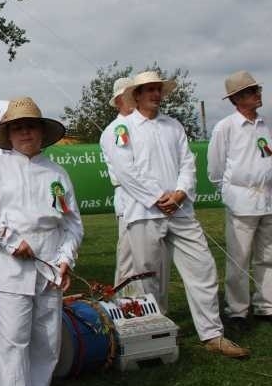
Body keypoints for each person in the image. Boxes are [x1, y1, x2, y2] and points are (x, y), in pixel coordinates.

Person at [110, 70, 249, 358]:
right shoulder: (119, 129)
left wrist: (181, 193)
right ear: (135, 95)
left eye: (158, 89)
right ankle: (156, 335)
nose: (155, 94)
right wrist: (158, 198)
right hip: (144, 212)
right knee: (147, 278)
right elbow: (126, 172)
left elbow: (188, 163)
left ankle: (212, 334)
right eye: (149, 89)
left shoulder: (173, 126)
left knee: (203, 267)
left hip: (181, 211)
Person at [0, 97, 83, 386]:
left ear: (41, 132)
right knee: (14, 341)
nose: (24, 133)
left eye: (30, 126)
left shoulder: (57, 173)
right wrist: (8, 240)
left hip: (49, 265)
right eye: (17, 128)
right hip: (9, 266)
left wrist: (65, 259)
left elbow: (73, 224)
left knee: (47, 340)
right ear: (7, 134)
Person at [208, 70, 272, 326]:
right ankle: (237, 309)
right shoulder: (225, 127)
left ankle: (266, 305)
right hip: (241, 201)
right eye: (251, 91)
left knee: (267, 256)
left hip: (268, 200)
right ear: (236, 99)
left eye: (257, 89)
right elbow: (215, 167)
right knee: (239, 258)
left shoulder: (266, 123)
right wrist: (228, 193)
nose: (258, 94)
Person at [99, 77, 145, 288]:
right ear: (118, 101)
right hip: (129, 196)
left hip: (147, 198)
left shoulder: (143, 125)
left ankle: (147, 305)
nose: (134, 99)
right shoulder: (120, 128)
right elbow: (127, 167)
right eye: (128, 96)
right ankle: (126, 306)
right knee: (129, 254)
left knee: (148, 257)